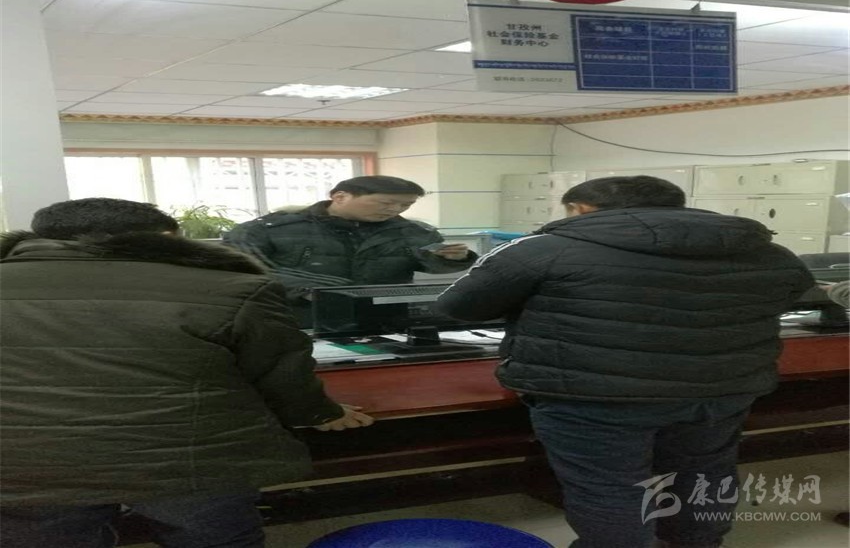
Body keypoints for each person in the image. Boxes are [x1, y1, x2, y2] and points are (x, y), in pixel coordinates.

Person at [436, 176, 814, 548]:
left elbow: (459, 306)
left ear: (579, 209)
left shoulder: (543, 248)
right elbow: (794, 295)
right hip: (724, 388)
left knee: (608, 486)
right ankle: (697, 543)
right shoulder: (767, 251)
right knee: (704, 473)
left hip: (593, 393)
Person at [0, 198, 373, 548]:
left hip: (27, 460)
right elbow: (280, 374)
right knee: (214, 540)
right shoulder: (232, 288)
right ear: (165, 238)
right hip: (189, 460)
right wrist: (321, 414)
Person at [223, 175, 476, 325]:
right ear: (340, 197)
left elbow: (431, 266)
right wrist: (325, 290)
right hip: (295, 317)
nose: (395, 210)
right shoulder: (269, 229)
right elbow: (244, 270)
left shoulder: (413, 231)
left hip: (382, 318)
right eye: (386, 202)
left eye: (405, 205)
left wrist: (453, 259)